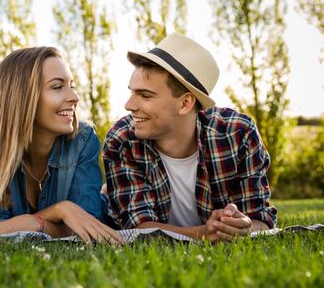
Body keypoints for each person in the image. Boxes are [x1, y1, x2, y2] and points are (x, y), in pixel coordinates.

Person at [103, 32, 277, 242]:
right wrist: (206, 233)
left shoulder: (239, 134)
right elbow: (139, 228)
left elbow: (261, 220)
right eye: (132, 92)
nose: (129, 105)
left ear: (186, 103)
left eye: (145, 95)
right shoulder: (122, 140)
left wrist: (240, 227)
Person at [0, 47, 122, 244]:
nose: (74, 97)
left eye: (71, 85)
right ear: (22, 98)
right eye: (57, 87)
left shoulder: (83, 139)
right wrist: (61, 210)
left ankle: (105, 192)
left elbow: (87, 225)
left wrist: (24, 223)